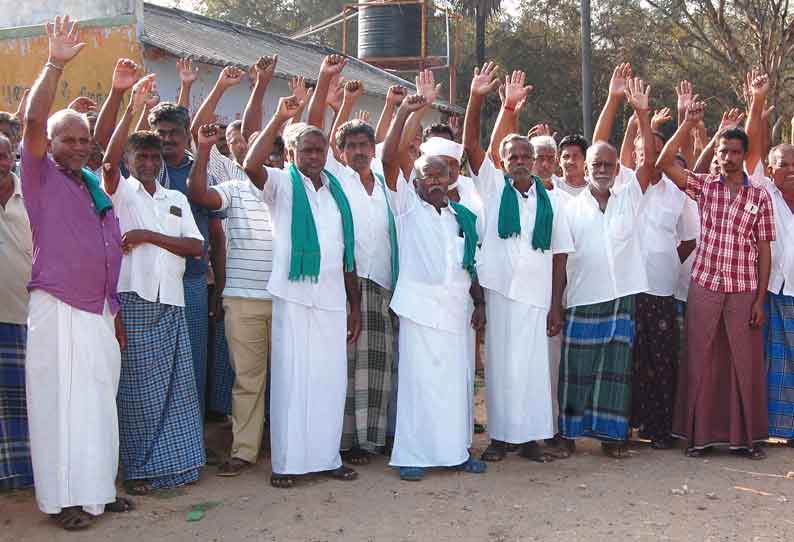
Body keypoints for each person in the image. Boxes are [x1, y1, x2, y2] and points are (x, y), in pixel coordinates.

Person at [20, 16, 132, 530]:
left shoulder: (92, 183)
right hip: (60, 303)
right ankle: (63, 500)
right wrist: (55, 63)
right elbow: (32, 123)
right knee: (60, 407)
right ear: (51, 142)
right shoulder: (40, 175)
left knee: (96, 403)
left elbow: (104, 134)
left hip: (98, 309)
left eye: (83, 139)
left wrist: (118, 94)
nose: (78, 145)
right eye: (67, 139)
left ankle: (96, 490)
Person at [244, 87, 361, 488]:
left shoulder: (336, 190)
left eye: (319, 150)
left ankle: (327, 457)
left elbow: (345, 251)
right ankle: (289, 463)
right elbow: (250, 163)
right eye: (307, 150)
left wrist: (355, 305)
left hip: (331, 298)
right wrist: (277, 119)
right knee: (293, 379)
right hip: (294, 295)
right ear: (292, 153)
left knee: (330, 379)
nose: (314, 157)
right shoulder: (280, 183)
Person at [463, 63, 573, 463]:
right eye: (514, 155)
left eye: (528, 155)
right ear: (504, 159)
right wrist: (478, 98)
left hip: (537, 298)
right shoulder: (492, 188)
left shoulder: (553, 200)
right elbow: (472, 144)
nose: (522, 160)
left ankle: (531, 439)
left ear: (540, 160)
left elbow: (560, 256)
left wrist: (556, 303)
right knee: (500, 368)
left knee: (532, 371)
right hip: (501, 294)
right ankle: (501, 437)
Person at [101, 74, 206, 493]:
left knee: (177, 389)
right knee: (139, 389)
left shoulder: (175, 199)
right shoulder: (120, 193)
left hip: (174, 301)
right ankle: (140, 470)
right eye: (139, 156)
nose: (147, 163)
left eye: (153, 156)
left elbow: (196, 248)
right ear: (129, 160)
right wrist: (129, 104)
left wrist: (150, 237)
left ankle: (176, 466)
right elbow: (106, 162)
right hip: (135, 300)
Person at [658, 86, 774, 459]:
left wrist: (759, 299)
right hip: (705, 285)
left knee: (744, 362)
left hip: (743, 290)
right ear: (718, 155)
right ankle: (698, 436)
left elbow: (765, 250)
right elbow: (664, 164)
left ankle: (747, 440)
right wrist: (686, 125)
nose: (727, 158)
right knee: (701, 358)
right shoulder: (704, 186)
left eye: (735, 152)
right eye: (723, 152)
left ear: (744, 156)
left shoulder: (759, 196)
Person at [382, 93, 487, 481]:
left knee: (457, 386)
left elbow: (469, 264)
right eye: (428, 175)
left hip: (456, 311)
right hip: (421, 311)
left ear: (451, 179)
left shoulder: (460, 216)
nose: (436, 181)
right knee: (419, 385)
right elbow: (391, 159)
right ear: (417, 180)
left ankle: (457, 453)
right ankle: (412, 454)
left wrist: (479, 302)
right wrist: (408, 112)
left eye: (442, 175)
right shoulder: (407, 207)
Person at [549, 77, 653, 459]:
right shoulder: (568, 207)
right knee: (575, 371)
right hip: (582, 298)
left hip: (621, 298)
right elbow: (559, 261)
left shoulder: (630, 198)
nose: (604, 168)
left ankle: (612, 437)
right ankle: (567, 434)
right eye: (597, 163)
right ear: (587, 167)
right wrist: (555, 306)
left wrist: (641, 113)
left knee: (616, 373)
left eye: (610, 163)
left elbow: (647, 164)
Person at [188, 58, 278, 476]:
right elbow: (198, 192)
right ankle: (244, 450)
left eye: (266, 146)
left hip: (288, 297)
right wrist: (204, 151)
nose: (250, 148)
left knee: (292, 375)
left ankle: (289, 443)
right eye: (240, 141)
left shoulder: (289, 189)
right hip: (243, 299)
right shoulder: (232, 188)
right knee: (248, 380)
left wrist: (263, 86)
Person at [320, 76, 398, 464]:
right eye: (350, 146)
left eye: (364, 145)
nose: (358, 151)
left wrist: (399, 109)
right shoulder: (337, 180)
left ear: (373, 148)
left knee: (378, 366)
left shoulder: (384, 184)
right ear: (341, 151)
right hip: (347, 286)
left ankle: (370, 440)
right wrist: (341, 105)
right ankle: (344, 440)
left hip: (382, 285)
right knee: (347, 366)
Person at [147, 100, 226, 419]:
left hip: (192, 280)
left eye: (174, 133)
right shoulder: (143, 172)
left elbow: (217, 237)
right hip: (149, 283)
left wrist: (220, 286)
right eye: (160, 133)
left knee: (193, 359)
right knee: (153, 361)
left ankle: (190, 436)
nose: (167, 139)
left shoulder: (201, 174)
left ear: (186, 135)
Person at [0, 133, 33, 491]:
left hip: (32, 316)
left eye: (3, 156)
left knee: (29, 399)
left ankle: (30, 473)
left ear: (13, 157)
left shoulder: (34, 197)